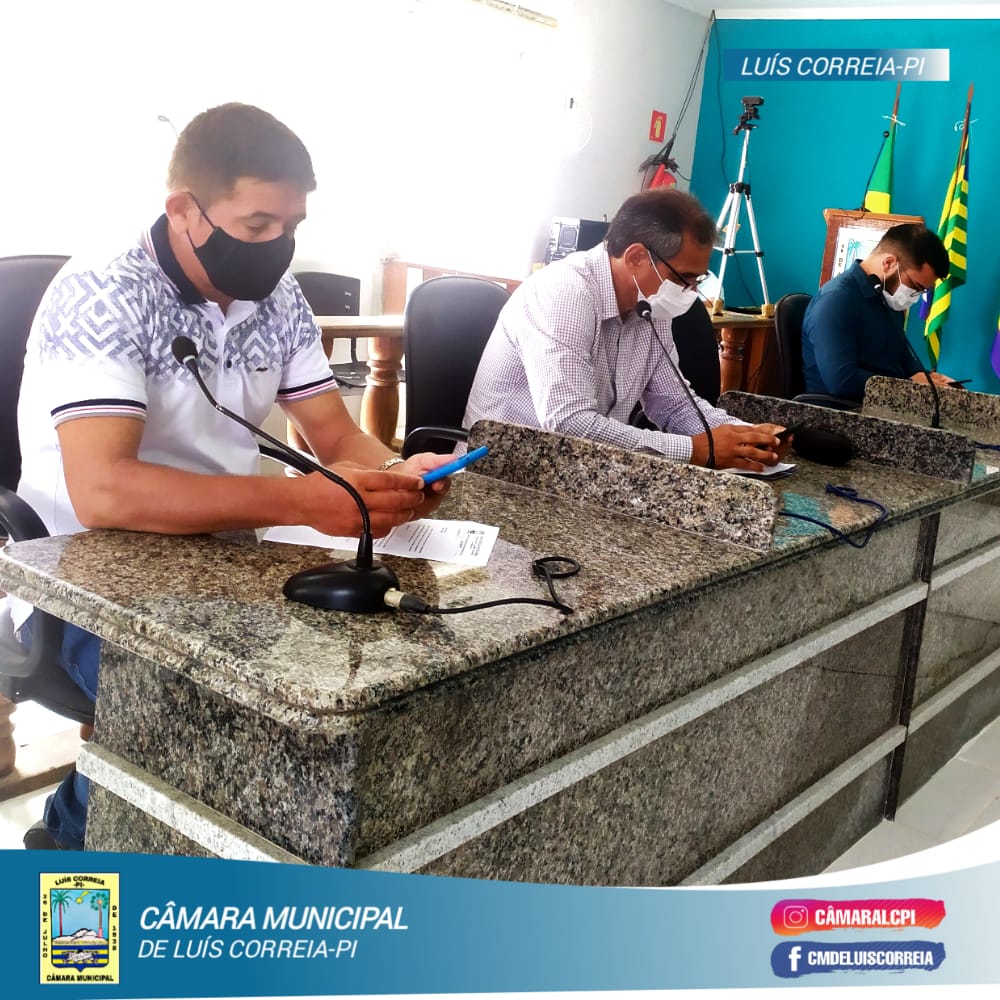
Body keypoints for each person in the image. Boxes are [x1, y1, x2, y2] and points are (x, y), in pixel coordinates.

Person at [9, 103, 450, 850]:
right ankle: (66, 849)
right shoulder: (104, 291)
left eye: (292, 225)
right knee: (195, 706)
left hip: (229, 561)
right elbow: (104, 490)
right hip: (85, 572)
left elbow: (335, 434)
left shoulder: (276, 298)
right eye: (257, 224)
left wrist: (399, 470)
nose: (277, 246)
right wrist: (300, 501)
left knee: (350, 679)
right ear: (183, 209)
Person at [463, 188, 789, 471]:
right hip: (505, 468)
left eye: (697, 280)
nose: (690, 292)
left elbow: (673, 404)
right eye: (684, 278)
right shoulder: (564, 293)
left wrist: (748, 437)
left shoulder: (650, 303)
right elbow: (568, 424)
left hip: (586, 469)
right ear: (635, 257)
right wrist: (693, 450)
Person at [801, 224, 957, 402]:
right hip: (840, 410)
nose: (914, 297)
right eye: (915, 287)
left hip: (884, 404)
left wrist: (927, 378)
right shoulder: (836, 300)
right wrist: (910, 386)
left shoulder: (886, 296)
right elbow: (842, 381)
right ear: (889, 263)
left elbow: (901, 358)